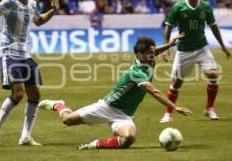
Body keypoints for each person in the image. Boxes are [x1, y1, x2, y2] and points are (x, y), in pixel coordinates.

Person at [38, 35, 193, 150]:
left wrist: (170, 44)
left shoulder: (148, 58)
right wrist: (174, 107)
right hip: (107, 107)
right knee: (67, 120)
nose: (154, 55)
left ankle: (96, 144)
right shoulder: (136, 72)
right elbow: (154, 92)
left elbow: (155, 50)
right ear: (140, 55)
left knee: (129, 138)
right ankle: (59, 105)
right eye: (150, 52)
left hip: (125, 115)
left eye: (153, 51)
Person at [0, 0, 59, 146]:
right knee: (18, 94)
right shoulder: (9, 2)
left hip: (26, 54)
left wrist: (54, 10)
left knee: (35, 95)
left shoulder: (32, 4)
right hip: (9, 53)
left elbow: (39, 21)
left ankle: (25, 136)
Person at [159, 0, 231, 123]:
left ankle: (209, 109)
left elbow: (213, 26)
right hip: (184, 50)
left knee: (213, 74)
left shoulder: (205, 6)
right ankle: (169, 113)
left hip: (201, 48)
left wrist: (222, 45)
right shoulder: (178, 7)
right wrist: (167, 49)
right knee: (176, 83)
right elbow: (168, 28)